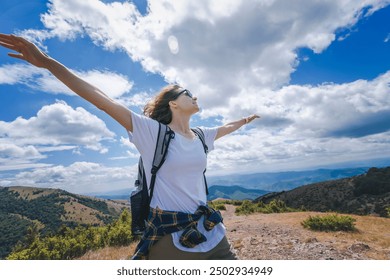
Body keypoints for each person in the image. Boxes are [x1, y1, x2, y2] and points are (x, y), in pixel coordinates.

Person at [0, 33, 260, 260]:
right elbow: (102, 99)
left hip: (212, 232)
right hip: (172, 241)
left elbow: (226, 127)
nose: (195, 96)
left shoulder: (202, 135)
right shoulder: (152, 132)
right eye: (187, 93)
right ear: (173, 103)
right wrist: (47, 62)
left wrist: (245, 120)